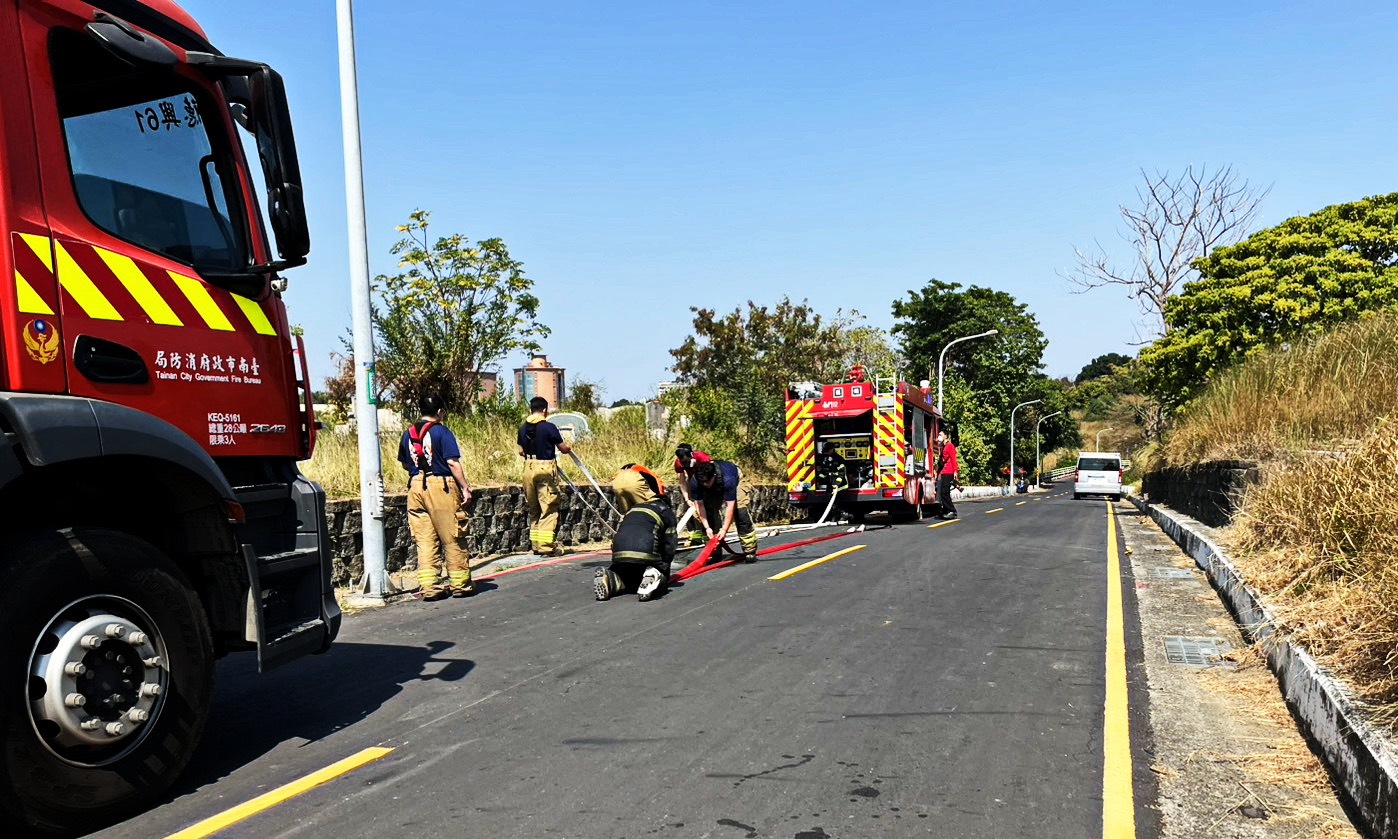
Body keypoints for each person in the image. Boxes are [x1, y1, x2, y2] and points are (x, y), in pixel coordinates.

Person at [398, 395, 474, 600]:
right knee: (452, 536)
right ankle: (460, 584)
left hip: (415, 487)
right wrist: (465, 488)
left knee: (425, 540)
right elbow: (452, 462)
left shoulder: (408, 434)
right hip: (441, 486)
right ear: (440, 412)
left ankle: (431, 587)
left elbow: (405, 464)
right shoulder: (442, 432)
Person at [595, 464, 677, 602]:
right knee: (661, 577)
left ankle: (611, 578)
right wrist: (663, 566)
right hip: (646, 552)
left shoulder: (632, 511)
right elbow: (670, 544)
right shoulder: (665, 511)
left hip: (619, 555)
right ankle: (653, 576)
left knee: (625, 577)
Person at [518, 396, 571, 555]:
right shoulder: (549, 427)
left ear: (530, 409)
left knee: (534, 508)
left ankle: (536, 545)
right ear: (545, 410)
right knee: (548, 507)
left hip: (528, 467)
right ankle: (546, 546)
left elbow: (521, 451)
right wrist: (568, 447)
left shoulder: (523, 428)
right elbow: (563, 449)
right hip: (545, 468)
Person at [691, 459, 758, 561]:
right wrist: (707, 527)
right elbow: (700, 506)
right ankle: (714, 551)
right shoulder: (695, 482)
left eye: (707, 481)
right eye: (702, 482)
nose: (704, 484)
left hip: (736, 480)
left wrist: (724, 530)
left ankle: (749, 550)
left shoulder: (728, 479)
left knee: (740, 513)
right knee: (709, 514)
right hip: (714, 486)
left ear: (713, 476)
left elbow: (730, 506)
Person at [673, 443, 712, 544]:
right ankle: (698, 534)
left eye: (687, 461)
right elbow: (682, 481)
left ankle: (712, 531)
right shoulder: (679, 463)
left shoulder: (701, 457)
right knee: (694, 508)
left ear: (691, 455)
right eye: (683, 462)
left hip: (707, 481)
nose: (685, 464)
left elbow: (711, 473)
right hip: (693, 482)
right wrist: (687, 499)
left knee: (708, 507)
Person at [935, 430, 959, 520]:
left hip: (949, 472)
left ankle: (952, 511)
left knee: (945, 492)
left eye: (940, 435)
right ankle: (945, 511)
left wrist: (955, 471)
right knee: (941, 493)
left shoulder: (950, 446)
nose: (939, 436)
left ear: (946, 436)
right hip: (944, 472)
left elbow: (953, 459)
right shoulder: (943, 446)